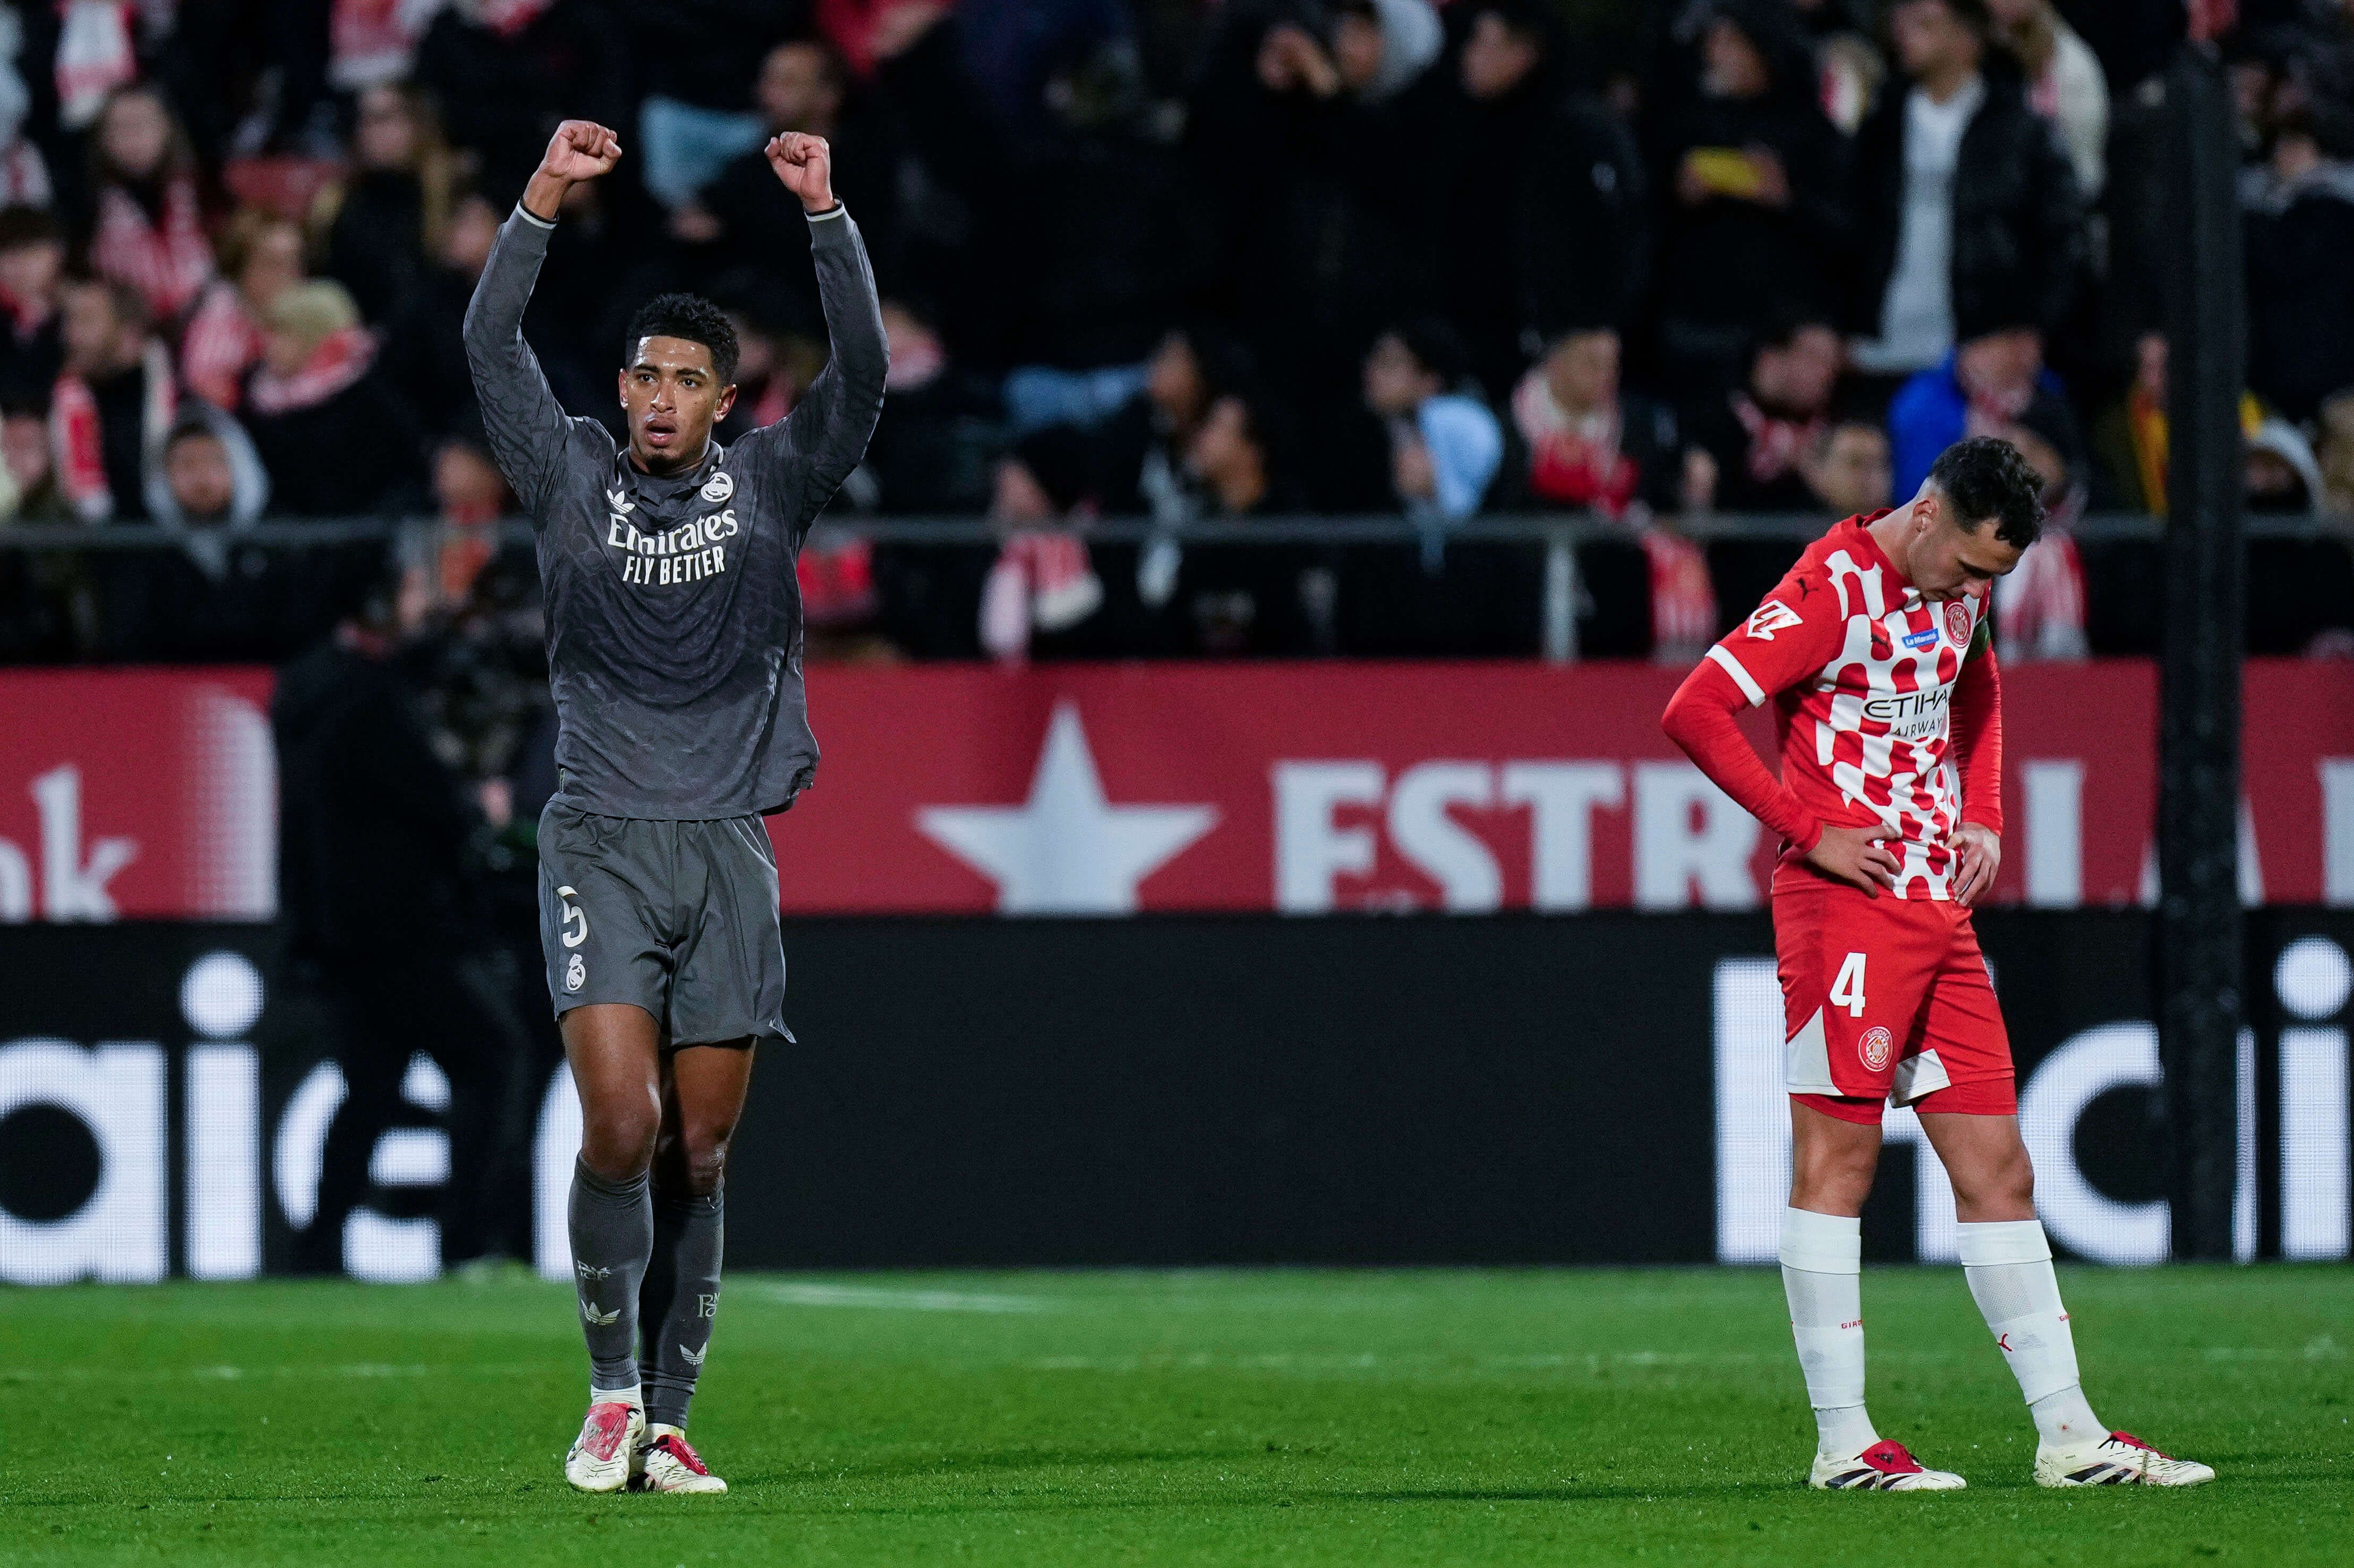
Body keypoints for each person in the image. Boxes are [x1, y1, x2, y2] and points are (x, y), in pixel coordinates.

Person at [1660, 436, 2213, 1492]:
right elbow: (1692, 708)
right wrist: (1803, 827)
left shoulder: (1961, 587)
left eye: (1991, 578)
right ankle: (1841, 1446)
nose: (1974, 589)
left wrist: (1986, 814)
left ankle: (2069, 1439)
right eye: (1966, 566)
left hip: (1935, 908)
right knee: (1838, 1167)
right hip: (1846, 910)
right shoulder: (1826, 590)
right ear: (1922, 515)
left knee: (1998, 1170)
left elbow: (1978, 692)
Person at [464, 118, 885, 1495]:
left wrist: (826, 220)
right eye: (642, 373)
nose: (653, 397)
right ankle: (604, 1399)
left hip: (728, 853)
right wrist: (540, 197)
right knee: (622, 1129)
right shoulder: (571, 470)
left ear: (724, 402)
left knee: (701, 1150)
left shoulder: (775, 479)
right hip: (598, 841)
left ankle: (671, 1419)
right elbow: (488, 347)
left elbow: (866, 374)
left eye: (683, 381)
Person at [1846, 0, 2082, 383]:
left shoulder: (2022, 133)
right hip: (1878, 351)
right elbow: (1848, 228)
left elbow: (2064, 241)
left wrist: (2031, 333)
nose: (1904, 32)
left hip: (1976, 357)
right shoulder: (1880, 127)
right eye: (1902, 19)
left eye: (1925, 23)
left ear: (1967, 39)